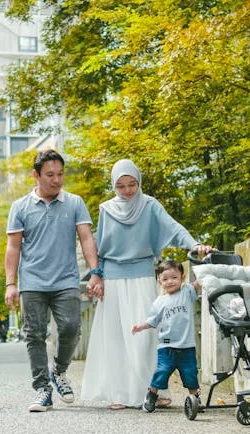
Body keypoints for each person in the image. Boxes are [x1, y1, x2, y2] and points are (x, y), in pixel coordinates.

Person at [80, 159, 211, 409]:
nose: (127, 190)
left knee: (148, 337)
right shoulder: (106, 208)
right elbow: (100, 247)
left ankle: (155, 391)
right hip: (114, 278)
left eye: (132, 184)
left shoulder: (150, 205)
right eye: (121, 186)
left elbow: (172, 227)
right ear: (114, 186)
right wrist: (97, 275)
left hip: (142, 274)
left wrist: (194, 245)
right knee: (117, 337)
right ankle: (119, 394)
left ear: (139, 182)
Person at [4, 148, 104, 412]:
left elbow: (86, 238)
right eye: (50, 175)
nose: (57, 180)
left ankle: (59, 371)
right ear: (35, 175)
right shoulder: (20, 207)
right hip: (33, 282)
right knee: (34, 335)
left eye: (60, 174)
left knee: (71, 327)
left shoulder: (74, 203)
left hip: (65, 280)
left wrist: (95, 272)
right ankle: (42, 389)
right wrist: (10, 284)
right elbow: (13, 247)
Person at [131, 260, 201, 412]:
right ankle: (151, 395)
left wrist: (200, 262)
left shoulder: (187, 292)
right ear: (159, 281)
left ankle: (195, 399)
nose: (170, 281)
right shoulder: (159, 302)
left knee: (190, 374)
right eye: (165, 279)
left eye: (174, 277)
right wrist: (141, 326)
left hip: (186, 347)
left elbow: (199, 282)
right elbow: (153, 321)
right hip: (166, 346)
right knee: (161, 372)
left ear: (182, 278)